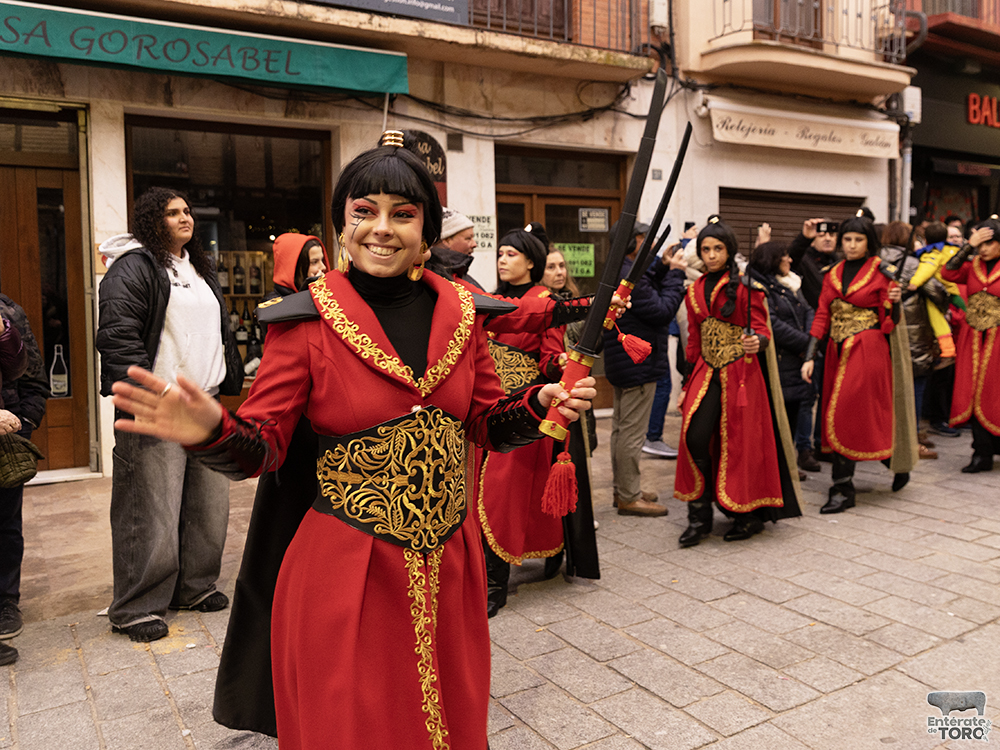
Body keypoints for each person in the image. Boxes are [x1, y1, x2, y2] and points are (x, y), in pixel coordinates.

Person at [109, 133, 595, 749]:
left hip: (451, 564)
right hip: (347, 575)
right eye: (363, 211)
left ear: (428, 230)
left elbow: (483, 422)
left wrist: (536, 404)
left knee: (451, 723)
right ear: (342, 224)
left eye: (403, 213)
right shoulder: (304, 322)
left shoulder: (466, 315)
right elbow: (262, 448)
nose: (381, 228)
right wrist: (211, 432)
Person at [96, 187, 244, 643]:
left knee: (208, 506)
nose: (185, 218)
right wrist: (146, 394)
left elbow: (218, 331)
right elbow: (118, 336)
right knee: (150, 510)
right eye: (172, 213)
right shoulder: (134, 267)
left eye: (187, 211)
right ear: (150, 221)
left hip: (206, 401)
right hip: (157, 407)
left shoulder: (200, 268)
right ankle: (137, 606)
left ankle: (195, 587)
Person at [214, 232, 329, 735]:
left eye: (325, 259)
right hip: (292, 462)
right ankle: (270, 697)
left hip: (333, 461)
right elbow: (270, 408)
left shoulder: (340, 309)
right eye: (311, 262)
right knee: (277, 577)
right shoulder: (286, 316)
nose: (321, 269)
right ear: (290, 268)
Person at [675, 219, 801, 546]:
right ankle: (699, 517)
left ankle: (747, 516)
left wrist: (756, 342)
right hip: (704, 371)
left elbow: (763, 332)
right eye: (706, 249)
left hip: (741, 373)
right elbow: (693, 341)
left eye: (718, 248)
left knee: (741, 444)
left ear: (729, 250)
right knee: (695, 438)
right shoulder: (693, 289)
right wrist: (687, 383)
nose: (712, 254)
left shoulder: (748, 287)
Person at [801, 216, 917, 513]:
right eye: (848, 239)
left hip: (868, 350)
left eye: (858, 240)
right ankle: (894, 460)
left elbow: (889, 323)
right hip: (836, 353)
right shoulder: (832, 273)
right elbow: (822, 316)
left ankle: (842, 487)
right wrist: (810, 355)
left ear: (869, 243)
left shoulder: (882, 273)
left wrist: (894, 301)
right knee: (854, 414)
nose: (851, 245)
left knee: (845, 411)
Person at [479, 228, 567, 615]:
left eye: (511, 254)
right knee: (495, 493)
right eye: (500, 253)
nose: (502, 259)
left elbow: (549, 357)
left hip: (527, 410)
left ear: (531, 262)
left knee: (501, 494)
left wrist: (557, 364)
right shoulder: (490, 300)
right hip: (486, 407)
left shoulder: (546, 301)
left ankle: (496, 584)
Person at [604, 220, 686, 517]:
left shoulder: (622, 269)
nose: (652, 245)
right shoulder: (630, 275)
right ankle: (628, 495)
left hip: (622, 361)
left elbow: (647, 280)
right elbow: (662, 310)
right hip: (636, 362)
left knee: (620, 430)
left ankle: (623, 488)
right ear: (634, 242)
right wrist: (676, 275)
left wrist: (663, 267)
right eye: (646, 239)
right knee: (631, 433)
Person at [540, 245, 599, 580]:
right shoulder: (543, 309)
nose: (559, 272)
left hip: (577, 397)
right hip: (548, 399)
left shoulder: (575, 305)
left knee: (581, 458)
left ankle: (573, 528)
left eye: (562, 266)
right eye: (552, 266)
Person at [0, 294, 46, 668]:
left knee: (6, 524)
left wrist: (26, 421)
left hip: (7, 434)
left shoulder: (8, 312)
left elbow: (25, 370)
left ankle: (5, 601)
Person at [748, 241, 818, 473]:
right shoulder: (758, 288)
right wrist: (808, 341)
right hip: (779, 362)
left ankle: (788, 461)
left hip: (797, 361)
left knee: (793, 415)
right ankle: (779, 466)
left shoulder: (788, 285)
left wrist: (810, 337)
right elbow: (773, 325)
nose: (789, 260)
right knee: (778, 419)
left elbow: (808, 310)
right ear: (772, 260)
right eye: (784, 256)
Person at [880, 222, 944, 460]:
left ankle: (887, 438)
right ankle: (912, 440)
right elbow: (938, 292)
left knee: (887, 390)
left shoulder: (873, 263)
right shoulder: (913, 264)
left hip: (883, 336)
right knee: (914, 390)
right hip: (913, 338)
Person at [941, 218, 1000, 473]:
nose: (984, 249)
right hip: (973, 339)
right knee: (973, 391)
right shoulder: (972, 264)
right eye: (981, 244)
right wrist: (968, 245)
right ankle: (981, 452)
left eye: (990, 243)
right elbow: (947, 272)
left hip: (998, 340)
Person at [425, 207, 481, 288]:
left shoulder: (456, 273)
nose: (474, 244)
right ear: (446, 240)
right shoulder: (440, 278)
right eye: (468, 238)